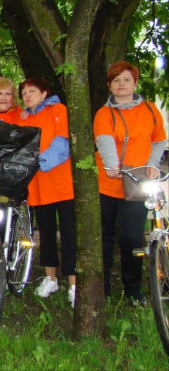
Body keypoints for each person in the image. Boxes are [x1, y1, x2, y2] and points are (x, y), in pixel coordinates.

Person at [93, 61, 166, 306]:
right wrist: (113, 166)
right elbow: (104, 142)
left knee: (132, 239)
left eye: (126, 80)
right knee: (104, 237)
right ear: (109, 86)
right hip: (107, 183)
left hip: (135, 186)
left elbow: (158, 140)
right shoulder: (104, 113)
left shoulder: (150, 110)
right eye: (116, 80)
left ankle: (133, 290)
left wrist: (153, 164)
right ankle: (102, 288)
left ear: (135, 83)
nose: (121, 84)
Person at [18, 78, 76, 307]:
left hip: (62, 186)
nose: (27, 95)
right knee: (47, 235)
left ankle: (73, 284)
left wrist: (38, 163)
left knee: (70, 236)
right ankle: (50, 278)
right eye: (24, 92)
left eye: (32, 91)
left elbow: (62, 145)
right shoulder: (25, 117)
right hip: (39, 187)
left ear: (44, 94)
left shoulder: (58, 110)